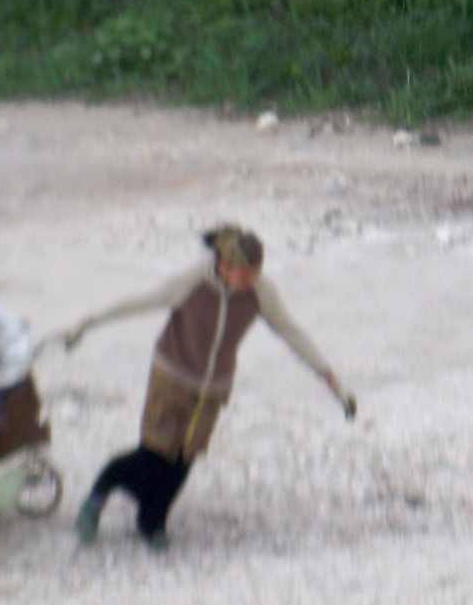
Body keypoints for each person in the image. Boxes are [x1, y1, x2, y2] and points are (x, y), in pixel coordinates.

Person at [61, 224, 356, 551]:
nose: (250, 283)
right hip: (171, 378)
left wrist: (330, 378)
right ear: (224, 266)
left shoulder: (261, 292)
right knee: (154, 455)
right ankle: (101, 491)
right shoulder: (192, 283)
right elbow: (141, 302)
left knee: (184, 459)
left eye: (256, 274)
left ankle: (152, 520)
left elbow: (291, 332)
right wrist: (87, 323)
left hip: (213, 390)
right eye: (244, 276)